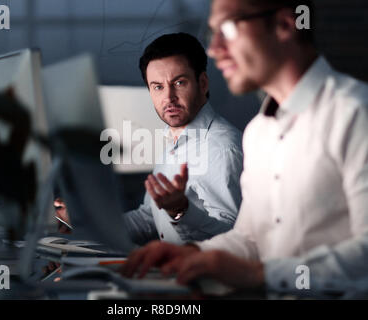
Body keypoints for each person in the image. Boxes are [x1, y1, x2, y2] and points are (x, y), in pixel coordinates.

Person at [122, 0, 368, 297]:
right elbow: (249, 239)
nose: (214, 49)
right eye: (213, 33)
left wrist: (260, 274)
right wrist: (192, 253)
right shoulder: (259, 132)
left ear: (285, 24)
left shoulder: (355, 113)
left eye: (228, 27)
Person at [56, 33, 244, 245]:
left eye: (179, 83)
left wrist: (181, 210)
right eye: (158, 87)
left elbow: (230, 240)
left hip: (202, 276)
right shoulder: (175, 138)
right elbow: (149, 219)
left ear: (202, 83)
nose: (169, 98)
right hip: (173, 271)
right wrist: (84, 224)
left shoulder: (221, 148)